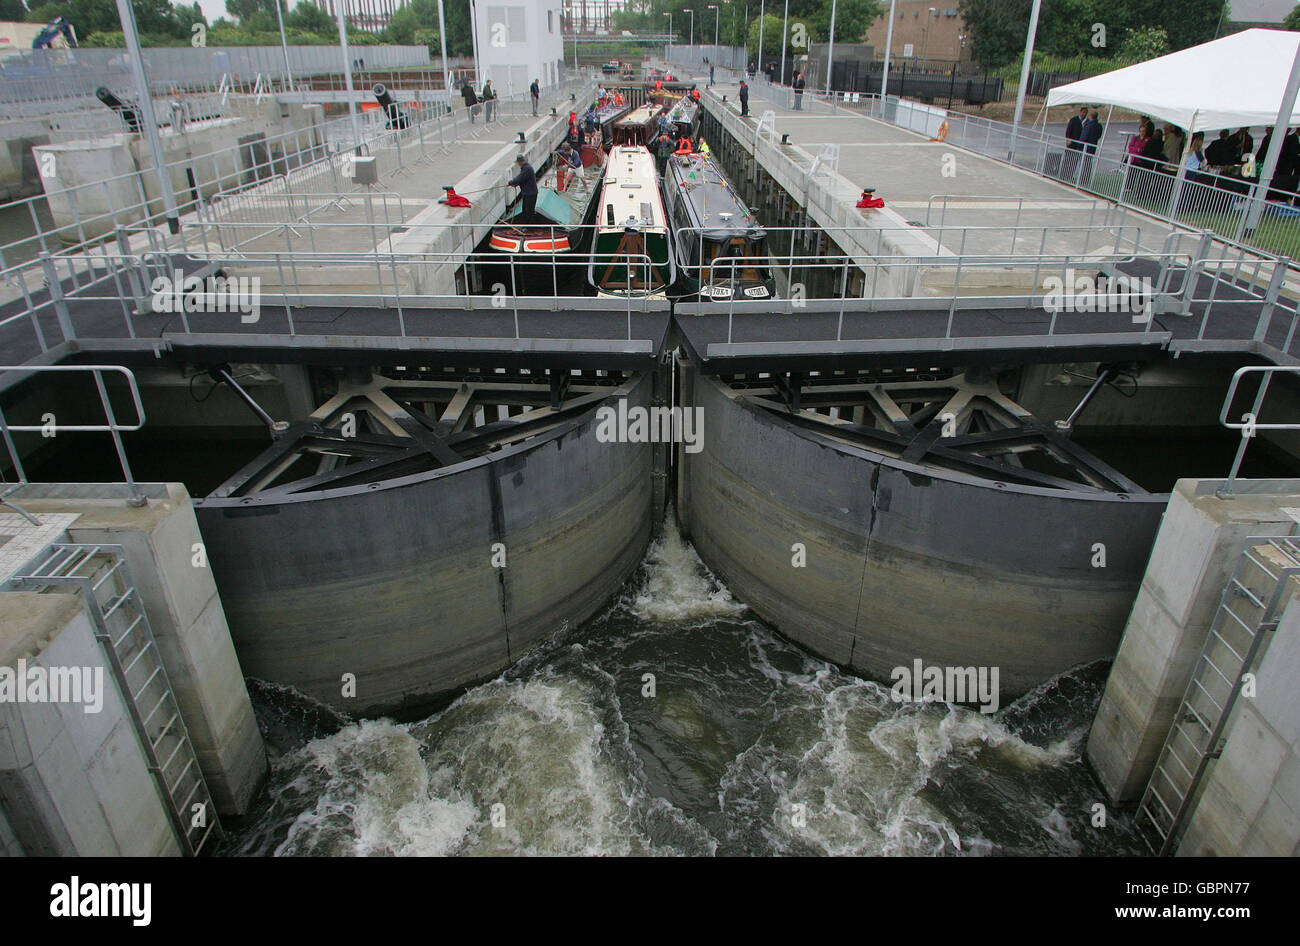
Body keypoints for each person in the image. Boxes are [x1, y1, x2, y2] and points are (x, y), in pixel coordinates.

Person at [509, 153, 538, 221]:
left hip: (530, 194)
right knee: (527, 210)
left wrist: (510, 183)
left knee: (527, 210)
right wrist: (516, 184)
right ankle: (527, 225)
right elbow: (523, 180)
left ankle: (528, 226)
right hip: (529, 193)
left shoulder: (527, 169)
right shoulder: (526, 168)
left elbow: (520, 178)